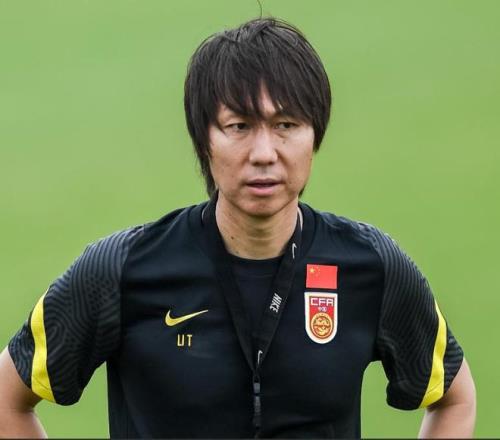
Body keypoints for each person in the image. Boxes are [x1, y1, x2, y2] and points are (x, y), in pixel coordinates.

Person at [0, 17, 475, 439]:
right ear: (203, 139)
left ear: (315, 135)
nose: (264, 153)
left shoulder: (370, 265)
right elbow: (7, 399)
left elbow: (454, 399)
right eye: (239, 126)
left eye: (286, 124)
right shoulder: (120, 270)